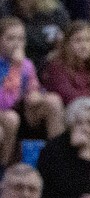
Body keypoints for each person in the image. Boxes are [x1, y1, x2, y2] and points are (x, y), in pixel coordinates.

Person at [0, 17, 66, 145]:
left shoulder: (27, 64)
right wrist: (16, 68)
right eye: (11, 38)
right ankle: (4, 164)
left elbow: (34, 89)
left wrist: (35, 95)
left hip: (22, 111)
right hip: (6, 112)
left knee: (53, 100)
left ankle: (57, 156)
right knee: (11, 118)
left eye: (20, 39)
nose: (16, 44)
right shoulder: (18, 64)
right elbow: (5, 102)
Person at [1, 0, 71, 68]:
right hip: (13, 68)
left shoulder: (56, 11)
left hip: (50, 69)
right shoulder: (5, 8)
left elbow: (68, 43)